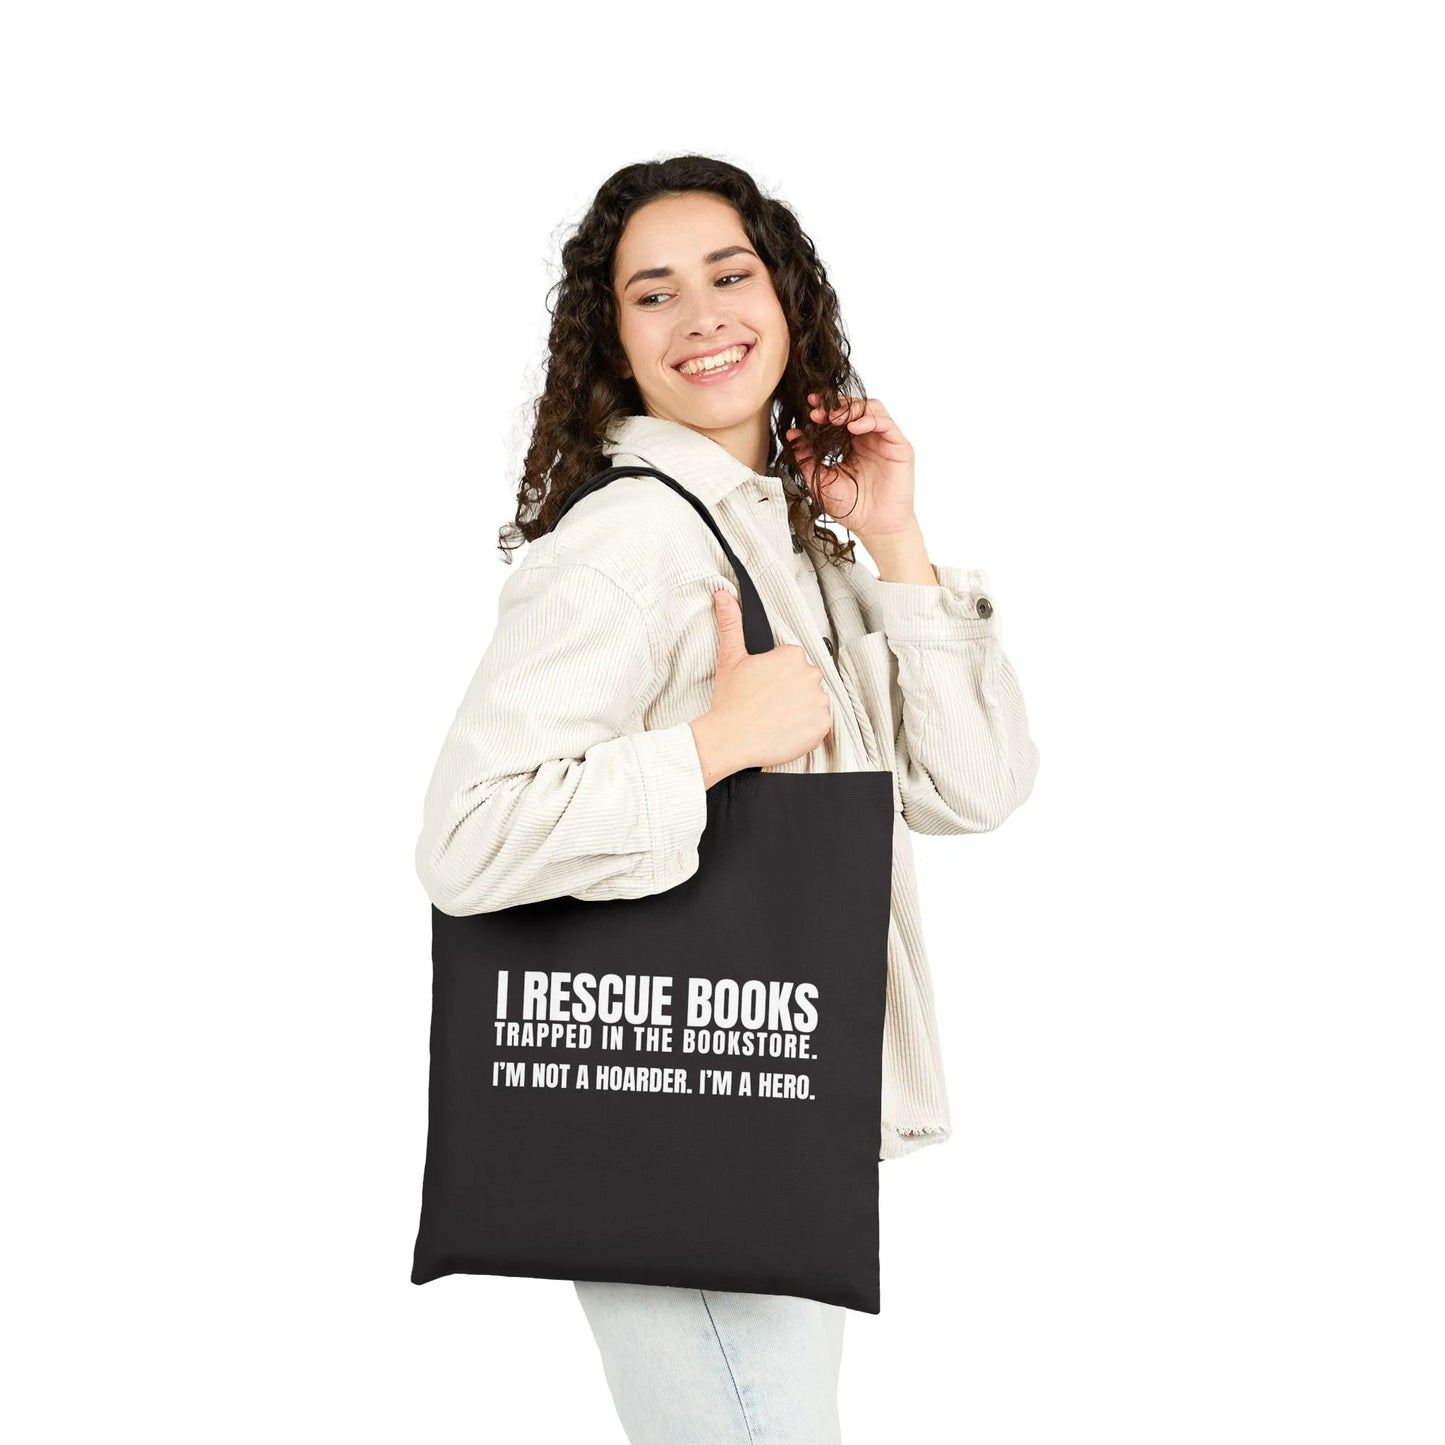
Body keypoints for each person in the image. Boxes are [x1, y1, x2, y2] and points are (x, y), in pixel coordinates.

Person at [414, 154, 1040, 1444]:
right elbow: (466, 840)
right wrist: (711, 746)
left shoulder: (786, 541)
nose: (702, 315)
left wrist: (899, 547)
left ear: (788, 301)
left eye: (730, 275)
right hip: (674, 1117)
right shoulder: (636, 536)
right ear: (616, 345)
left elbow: (970, 790)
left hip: (767, 1108)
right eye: (654, 294)